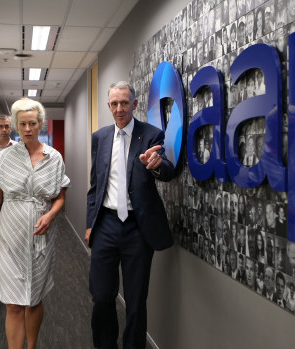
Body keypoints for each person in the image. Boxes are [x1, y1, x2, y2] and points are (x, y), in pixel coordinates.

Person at [85, 81, 175, 349]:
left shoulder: (151, 134)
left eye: (125, 102)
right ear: (108, 106)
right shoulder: (100, 138)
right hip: (105, 225)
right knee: (101, 296)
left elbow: (167, 170)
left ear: (134, 104)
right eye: (114, 103)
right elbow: (94, 187)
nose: (120, 108)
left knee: (136, 301)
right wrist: (90, 224)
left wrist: (156, 165)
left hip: (138, 228)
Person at [0, 98, 70, 349]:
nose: (28, 128)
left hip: (41, 238)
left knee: (33, 299)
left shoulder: (54, 157)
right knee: (12, 303)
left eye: (33, 123)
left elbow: (61, 197)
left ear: (40, 124)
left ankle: (32, 346)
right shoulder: (5, 158)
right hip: (9, 237)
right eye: (23, 124)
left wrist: (51, 215)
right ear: (15, 126)